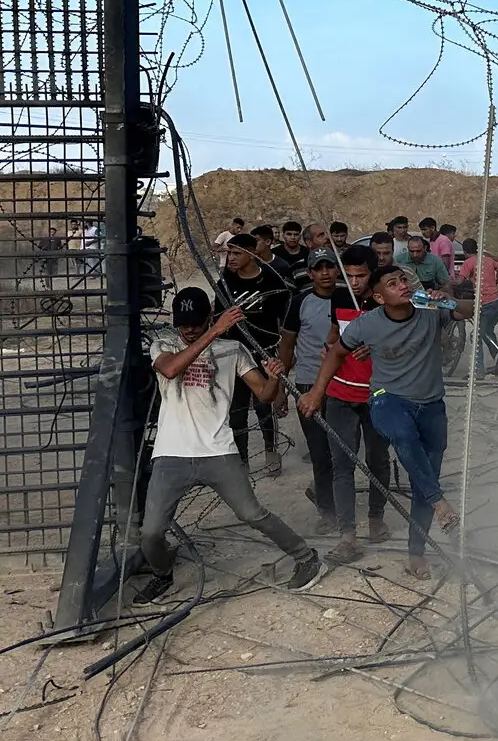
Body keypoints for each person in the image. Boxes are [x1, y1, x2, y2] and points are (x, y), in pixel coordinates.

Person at [132, 289, 324, 602]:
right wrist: (214, 331)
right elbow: (170, 369)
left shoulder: (232, 349)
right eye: (185, 324)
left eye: (197, 322)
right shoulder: (164, 345)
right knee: (151, 532)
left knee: (252, 513)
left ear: (208, 316)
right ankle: (162, 573)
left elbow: (263, 394)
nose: (190, 329)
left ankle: (307, 557)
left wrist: (275, 377)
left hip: (219, 449)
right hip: (172, 453)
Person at [338, 263, 473, 578]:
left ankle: (416, 553)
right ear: (379, 296)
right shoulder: (366, 324)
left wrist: (445, 301)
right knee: (403, 436)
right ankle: (440, 504)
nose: (402, 284)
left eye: (403, 279)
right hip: (388, 398)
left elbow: (469, 309)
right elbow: (335, 353)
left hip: (431, 405)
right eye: (392, 282)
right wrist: (316, 393)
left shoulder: (429, 309)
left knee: (424, 477)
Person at [302, 245, 393, 560]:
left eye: (361, 275)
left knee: (378, 460)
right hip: (340, 393)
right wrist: (328, 347)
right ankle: (347, 536)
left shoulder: (387, 301)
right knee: (342, 464)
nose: (354, 282)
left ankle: (376, 519)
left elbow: (405, 342)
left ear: (374, 273)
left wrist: (380, 344)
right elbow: (334, 332)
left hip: (377, 394)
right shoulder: (339, 298)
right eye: (349, 275)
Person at [215, 232, 293, 475]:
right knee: (237, 411)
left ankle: (271, 451)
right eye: (229, 253)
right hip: (234, 354)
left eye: (237, 253)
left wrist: (282, 360)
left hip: (264, 352)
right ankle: (243, 461)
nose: (231, 259)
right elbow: (216, 320)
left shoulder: (272, 281)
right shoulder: (225, 282)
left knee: (263, 406)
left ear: (252, 254)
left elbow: (284, 323)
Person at [278, 251, 344, 537]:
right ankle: (327, 512)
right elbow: (287, 346)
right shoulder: (300, 302)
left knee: (343, 451)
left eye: (330, 266)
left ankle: (332, 498)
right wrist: (281, 389)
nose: (326, 273)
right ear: (310, 272)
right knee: (320, 452)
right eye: (319, 268)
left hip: (343, 384)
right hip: (307, 384)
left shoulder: (349, 299)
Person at [455, 236, 498, 373]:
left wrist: (447, 282)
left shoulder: (468, 263)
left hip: (486, 303)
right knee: (487, 332)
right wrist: (496, 281)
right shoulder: (487, 260)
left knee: (475, 336)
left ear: (465, 251)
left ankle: (478, 371)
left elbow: (458, 282)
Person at [274, 221, 311, 290]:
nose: (293, 237)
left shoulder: (307, 252)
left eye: (296, 234)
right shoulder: (275, 253)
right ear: (283, 235)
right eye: (289, 234)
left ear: (300, 236)